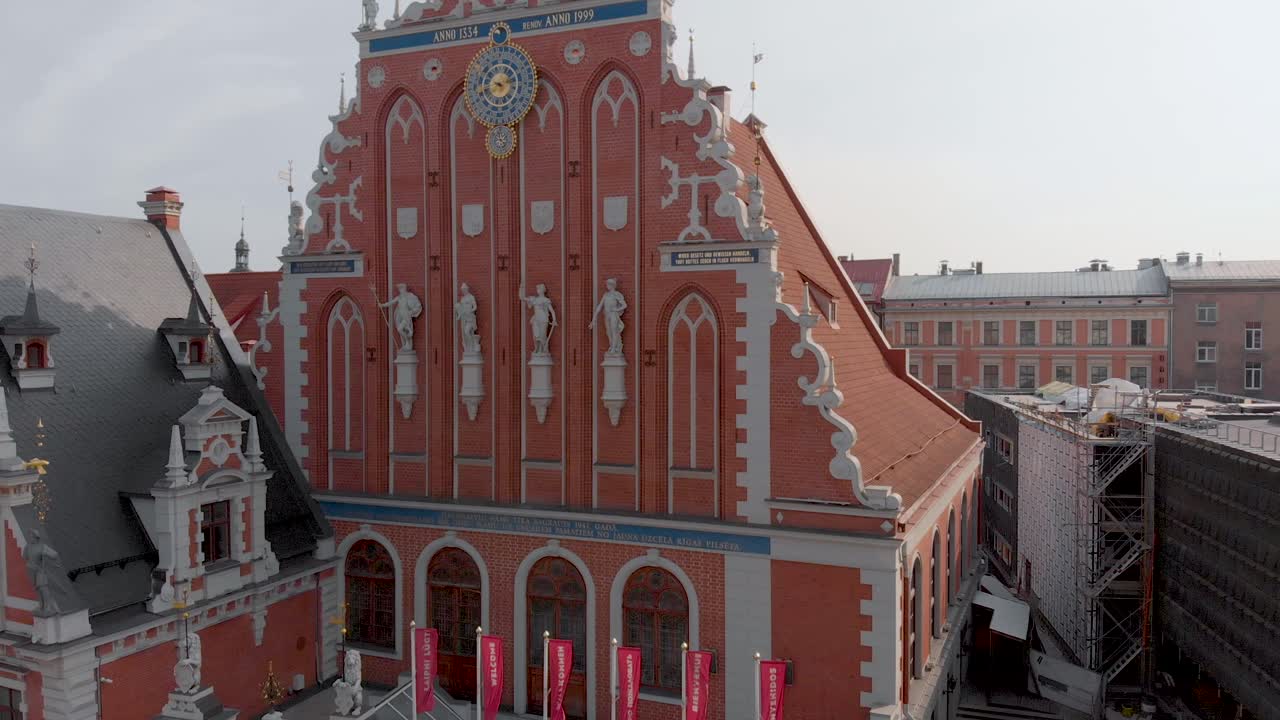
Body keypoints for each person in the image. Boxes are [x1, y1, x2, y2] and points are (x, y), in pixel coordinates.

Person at [589, 278, 627, 355]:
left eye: (608, 284)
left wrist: (616, 309)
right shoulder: (606, 295)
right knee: (608, 332)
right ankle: (612, 345)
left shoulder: (616, 294)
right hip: (607, 315)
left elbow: (624, 305)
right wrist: (593, 319)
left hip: (613, 315)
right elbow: (599, 306)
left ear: (612, 285)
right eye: (607, 284)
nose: (607, 286)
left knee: (614, 331)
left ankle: (614, 348)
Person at [379, 283, 422, 352]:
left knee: (400, 329)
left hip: (406, 316)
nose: (400, 291)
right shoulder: (399, 297)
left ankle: (408, 343)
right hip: (401, 317)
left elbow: (416, 306)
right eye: (399, 289)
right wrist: (382, 305)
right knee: (402, 330)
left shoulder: (409, 296)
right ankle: (406, 343)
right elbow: (391, 302)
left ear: (404, 289)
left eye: (401, 289)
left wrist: (411, 312)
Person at [520, 284, 557, 356]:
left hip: (543, 319)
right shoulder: (534, 299)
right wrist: (521, 289)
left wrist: (554, 320)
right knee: (536, 336)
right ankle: (537, 349)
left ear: (543, 290)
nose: (538, 290)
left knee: (542, 336)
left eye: (539, 289)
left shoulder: (546, 300)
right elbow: (523, 298)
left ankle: (543, 350)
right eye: (537, 289)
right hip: (536, 319)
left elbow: (552, 310)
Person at [456, 283, 480, 354]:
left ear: (467, 289)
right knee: (464, 333)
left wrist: (471, 311)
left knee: (467, 332)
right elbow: (461, 308)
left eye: (464, 289)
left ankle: (472, 345)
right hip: (464, 318)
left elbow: (475, 306)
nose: (463, 291)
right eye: (462, 290)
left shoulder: (471, 297)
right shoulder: (462, 298)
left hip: (470, 318)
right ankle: (467, 347)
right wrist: (458, 313)